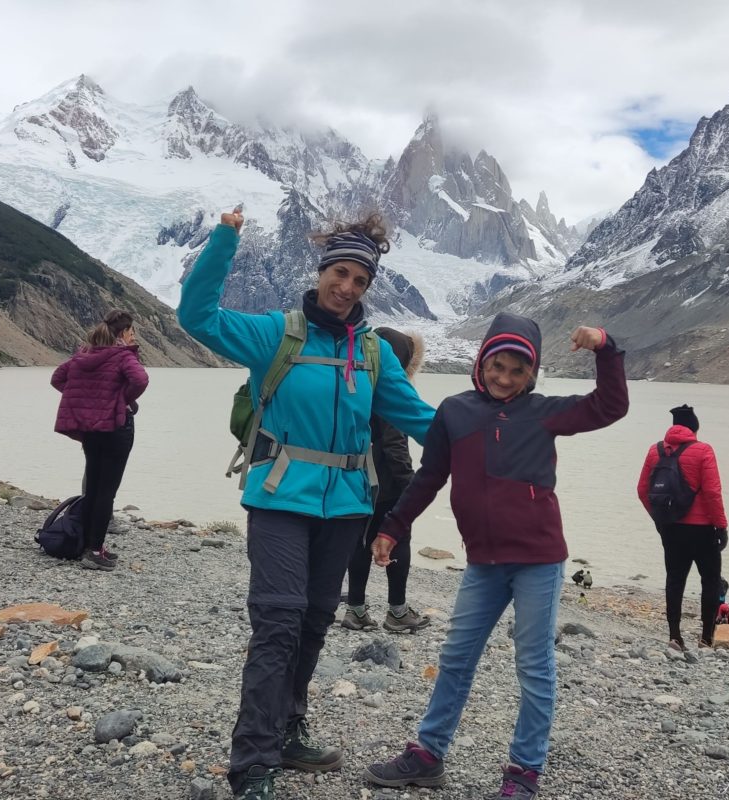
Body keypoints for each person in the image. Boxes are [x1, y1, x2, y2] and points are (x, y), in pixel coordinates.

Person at [176, 207, 435, 800]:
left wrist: (495, 439)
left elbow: (422, 421)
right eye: (339, 274)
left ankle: (289, 727)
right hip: (278, 498)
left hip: (346, 507)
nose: (346, 289)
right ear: (322, 271)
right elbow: (196, 315)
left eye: (360, 281)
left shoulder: (373, 354)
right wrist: (224, 240)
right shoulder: (276, 333)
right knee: (277, 622)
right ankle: (253, 761)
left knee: (315, 623)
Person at [363, 315, 629, 798]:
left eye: (517, 371)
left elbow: (611, 406)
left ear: (532, 375)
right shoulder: (455, 412)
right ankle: (427, 754)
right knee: (456, 657)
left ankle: (524, 771)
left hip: (538, 560)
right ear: (481, 362)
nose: (505, 378)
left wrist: (605, 349)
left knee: (533, 664)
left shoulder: (545, 412)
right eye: (497, 366)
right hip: (483, 562)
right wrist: (393, 528)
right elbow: (429, 477)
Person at [341, 326, 430, 634]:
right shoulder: (394, 391)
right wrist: (412, 486)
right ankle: (397, 611)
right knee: (399, 540)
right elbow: (395, 446)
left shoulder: (357, 383)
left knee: (360, 542)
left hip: (358, 478)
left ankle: (356, 609)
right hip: (389, 484)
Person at [51, 309, 148, 572]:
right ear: (124, 333)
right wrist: (119, 400)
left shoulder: (85, 354)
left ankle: (87, 544)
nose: (134, 337)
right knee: (107, 491)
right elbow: (140, 379)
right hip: (117, 428)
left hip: (91, 430)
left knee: (93, 486)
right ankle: (95, 550)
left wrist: (89, 402)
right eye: (132, 332)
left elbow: (58, 378)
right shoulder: (121, 356)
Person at [637, 404, 728, 651]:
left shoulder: (655, 451)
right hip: (702, 529)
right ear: (694, 427)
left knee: (675, 580)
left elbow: (642, 490)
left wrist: (659, 519)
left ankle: (674, 635)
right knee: (709, 581)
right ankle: (707, 638)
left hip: (671, 528)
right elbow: (712, 492)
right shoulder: (703, 450)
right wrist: (721, 526)